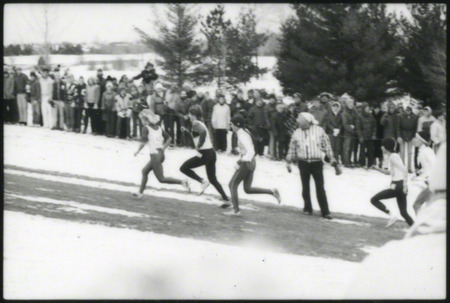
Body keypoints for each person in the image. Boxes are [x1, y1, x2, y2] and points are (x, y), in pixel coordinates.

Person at [226, 115, 281, 215]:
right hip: (251, 162)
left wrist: (241, 160)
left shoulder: (242, 135)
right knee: (247, 189)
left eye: (232, 124)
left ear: (237, 125)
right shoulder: (244, 131)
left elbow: (251, 151)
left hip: (247, 162)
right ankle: (272, 191)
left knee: (232, 184)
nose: (231, 126)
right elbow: (250, 148)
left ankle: (236, 211)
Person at [286, 112, 337, 220]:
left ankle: (325, 211)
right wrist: (289, 161)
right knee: (305, 187)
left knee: (320, 187)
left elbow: (326, 145)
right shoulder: (296, 133)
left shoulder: (319, 131)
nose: (298, 122)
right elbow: (292, 148)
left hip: (316, 162)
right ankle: (307, 208)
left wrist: (331, 157)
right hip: (303, 162)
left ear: (307, 121)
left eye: (300, 121)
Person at [132, 110, 190, 198]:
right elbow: (169, 138)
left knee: (161, 179)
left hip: (155, 155)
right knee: (144, 171)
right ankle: (140, 193)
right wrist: (163, 148)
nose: (141, 121)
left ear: (146, 119)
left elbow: (143, 143)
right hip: (160, 154)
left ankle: (182, 182)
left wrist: (137, 151)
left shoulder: (145, 128)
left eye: (142, 119)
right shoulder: (158, 127)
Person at [179, 105, 229, 201]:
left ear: (193, 115)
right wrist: (186, 131)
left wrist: (198, 146)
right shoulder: (201, 123)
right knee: (212, 179)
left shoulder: (195, 123)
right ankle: (225, 197)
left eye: (189, 114)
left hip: (204, 154)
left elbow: (203, 133)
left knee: (183, 168)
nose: (188, 116)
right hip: (211, 153)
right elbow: (197, 135)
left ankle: (202, 181)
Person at [370, 137, 414, 227]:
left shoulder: (393, 157)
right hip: (399, 186)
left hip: (398, 186)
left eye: (382, 146)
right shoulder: (394, 156)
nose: (381, 148)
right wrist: (377, 169)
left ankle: (391, 215)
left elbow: (404, 169)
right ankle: (416, 229)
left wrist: (405, 185)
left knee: (374, 200)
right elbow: (389, 172)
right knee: (404, 213)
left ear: (385, 147)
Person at [411, 131, 436, 214]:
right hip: (430, 182)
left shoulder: (427, 151)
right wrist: (419, 173)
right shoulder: (423, 151)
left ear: (421, 140)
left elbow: (435, 166)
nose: (414, 140)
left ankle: (421, 225)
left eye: (416, 138)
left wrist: (426, 178)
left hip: (432, 183)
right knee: (424, 207)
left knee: (417, 205)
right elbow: (427, 167)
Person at [396, 105, 418, 173]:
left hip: (410, 135)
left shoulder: (414, 117)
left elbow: (415, 128)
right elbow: (398, 127)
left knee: (410, 152)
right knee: (402, 152)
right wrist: (399, 136)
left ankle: (409, 168)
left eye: (409, 110)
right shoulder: (400, 116)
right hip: (402, 134)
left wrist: (414, 136)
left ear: (411, 111)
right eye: (406, 110)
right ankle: (402, 167)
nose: (407, 111)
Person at [247, 92, 268, 156]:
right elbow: (249, 117)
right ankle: (255, 152)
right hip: (255, 127)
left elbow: (266, 117)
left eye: (261, 101)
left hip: (262, 127)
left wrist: (265, 125)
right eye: (258, 101)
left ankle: (261, 152)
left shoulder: (264, 109)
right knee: (255, 140)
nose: (259, 102)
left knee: (262, 140)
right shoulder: (252, 109)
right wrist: (252, 124)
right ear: (256, 102)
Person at [356, 102, 376, 169]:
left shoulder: (371, 116)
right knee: (362, 150)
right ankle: (362, 163)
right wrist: (360, 136)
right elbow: (358, 127)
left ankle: (370, 163)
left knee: (371, 150)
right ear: (363, 109)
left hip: (370, 136)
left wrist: (373, 134)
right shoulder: (359, 116)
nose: (367, 109)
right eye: (366, 108)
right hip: (363, 136)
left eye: (368, 108)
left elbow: (374, 126)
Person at [341, 94, 358, 168]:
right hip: (347, 133)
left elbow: (357, 120)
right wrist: (352, 129)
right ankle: (346, 162)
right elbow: (345, 124)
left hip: (353, 133)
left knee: (351, 148)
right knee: (346, 148)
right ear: (347, 104)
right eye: (349, 103)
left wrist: (355, 128)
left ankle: (349, 161)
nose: (351, 105)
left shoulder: (354, 112)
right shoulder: (345, 113)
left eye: (352, 103)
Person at [372, 104, 384, 168]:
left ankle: (380, 161)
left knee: (380, 148)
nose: (376, 110)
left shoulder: (382, 115)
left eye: (378, 108)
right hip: (373, 133)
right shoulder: (372, 115)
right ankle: (374, 161)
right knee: (373, 147)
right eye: (375, 108)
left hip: (380, 133)